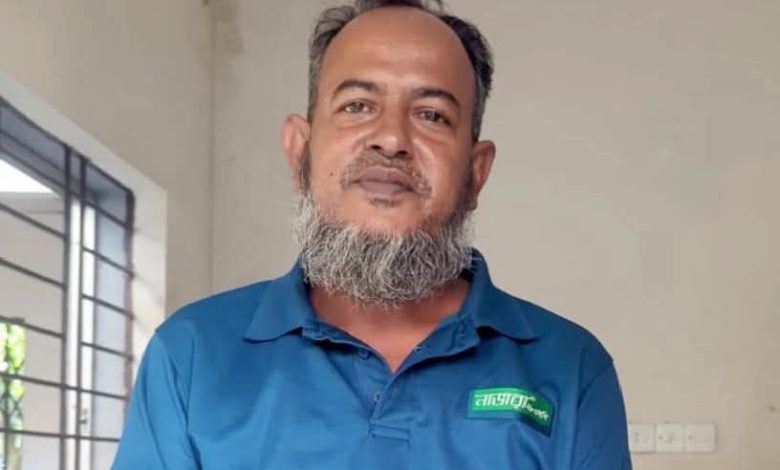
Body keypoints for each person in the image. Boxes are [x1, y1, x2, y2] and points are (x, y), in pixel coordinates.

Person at [113, 1, 631, 468]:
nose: (391, 138)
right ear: (299, 150)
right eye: (358, 105)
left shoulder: (572, 368)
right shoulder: (191, 355)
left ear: (476, 173)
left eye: (431, 115)